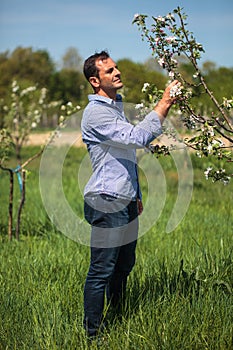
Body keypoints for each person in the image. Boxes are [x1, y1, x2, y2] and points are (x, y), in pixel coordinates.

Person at [81, 50, 178, 338]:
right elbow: (136, 139)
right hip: (105, 200)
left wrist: (135, 195)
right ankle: (92, 335)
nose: (116, 72)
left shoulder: (116, 105)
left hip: (124, 200)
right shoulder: (96, 113)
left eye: (116, 68)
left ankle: (119, 319)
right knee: (102, 269)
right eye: (109, 71)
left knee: (124, 266)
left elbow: (124, 157)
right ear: (95, 81)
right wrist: (165, 102)